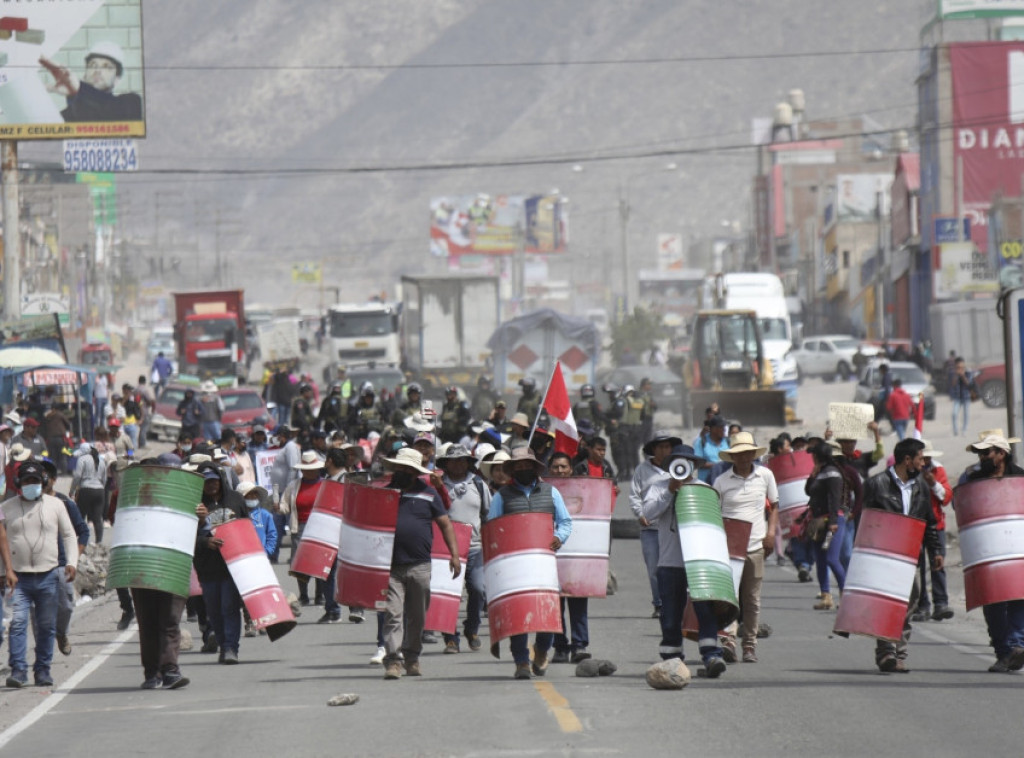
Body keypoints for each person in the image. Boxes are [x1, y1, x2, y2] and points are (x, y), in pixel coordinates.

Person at [641, 444, 728, 678]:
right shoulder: (657, 488)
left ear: (695, 466)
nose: (681, 466)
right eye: (677, 461)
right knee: (670, 612)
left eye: (686, 462)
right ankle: (672, 659)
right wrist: (670, 491)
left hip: (700, 562)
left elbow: (715, 526)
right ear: (669, 465)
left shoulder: (705, 490)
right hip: (670, 562)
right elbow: (647, 515)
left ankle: (711, 656)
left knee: (705, 610)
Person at [487, 448, 572, 679]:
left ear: (535, 468)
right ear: (513, 469)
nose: (523, 469)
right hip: (514, 565)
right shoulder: (501, 496)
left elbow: (565, 522)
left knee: (546, 611)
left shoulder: (551, 492)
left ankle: (542, 650)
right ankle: (521, 662)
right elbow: (493, 527)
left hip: (544, 563)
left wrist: (559, 537)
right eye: (519, 466)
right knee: (518, 614)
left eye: (527, 465)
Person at [862, 438, 942, 673]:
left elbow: (929, 522)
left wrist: (935, 550)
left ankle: (899, 651)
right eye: (919, 458)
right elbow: (865, 522)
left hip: (911, 555)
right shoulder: (876, 484)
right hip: (884, 556)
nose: (922, 463)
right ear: (907, 460)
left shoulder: (921, 487)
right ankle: (886, 650)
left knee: (910, 601)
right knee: (886, 602)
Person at [380, 448, 461, 680]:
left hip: (420, 566)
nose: (402, 472)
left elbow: (446, 524)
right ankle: (393, 661)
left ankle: (412, 657)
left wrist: (454, 556)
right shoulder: (385, 494)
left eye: (408, 469)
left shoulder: (429, 494)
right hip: (391, 567)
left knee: (418, 617)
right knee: (393, 614)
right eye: (400, 467)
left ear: (415, 472)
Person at [2, 461, 78, 688]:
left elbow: (69, 535)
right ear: (18, 484)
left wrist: (72, 562)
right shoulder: (7, 508)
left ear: (43, 482)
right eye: (27, 481)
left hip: (49, 575)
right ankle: (18, 670)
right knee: (17, 623)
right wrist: (3, 571)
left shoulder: (56, 505)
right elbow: (1, 543)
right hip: (18, 578)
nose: (31, 485)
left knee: (46, 626)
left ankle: (43, 670)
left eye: (35, 481)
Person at [712, 433, 778, 663]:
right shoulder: (721, 481)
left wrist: (771, 535)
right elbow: (714, 514)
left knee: (752, 598)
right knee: (728, 597)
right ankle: (728, 639)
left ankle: (749, 644)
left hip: (756, 546)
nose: (743, 457)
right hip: (728, 548)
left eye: (747, 453)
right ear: (733, 456)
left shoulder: (765, 475)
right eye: (738, 454)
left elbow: (774, 508)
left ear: (753, 454)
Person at [962, 433, 1024, 672]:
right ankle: (1003, 652)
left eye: (987, 452)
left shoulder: (1019, 477)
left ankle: (1016, 645)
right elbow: (962, 506)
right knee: (993, 601)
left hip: (1016, 547)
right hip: (987, 549)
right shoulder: (973, 479)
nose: (982, 457)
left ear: (1001, 454)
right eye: (980, 453)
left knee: (1020, 596)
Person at [436, 445, 490, 654]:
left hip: (475, 547)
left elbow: (488, 513)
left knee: (478, 589)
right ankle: (450, 637)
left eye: (462, 460)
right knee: (449, 595)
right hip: (446, 549)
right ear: (446, 463)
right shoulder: (438, 484)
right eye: (454, 460)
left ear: (468, 462)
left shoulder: (478, 484)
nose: (458, 464)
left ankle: (472, 628)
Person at [193, 465, 246, 664]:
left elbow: (247, 528)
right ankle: (223, 645)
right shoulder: (194, 504)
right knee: (214, 610)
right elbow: (184, 536)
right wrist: (205, 541)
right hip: (207, 567)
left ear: (221, 479)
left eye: (214, 480)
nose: (211, 485)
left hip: (233, 565)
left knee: (230, 607)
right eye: (206, 481)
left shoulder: (236, 500)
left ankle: (231, 647)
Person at [39, 458, 88, 658]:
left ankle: (61, 633)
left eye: (45, 477)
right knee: (37, 615)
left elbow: (83, 532)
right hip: (36, 567)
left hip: (61, 565)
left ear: (53, 479)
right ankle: (41, 661)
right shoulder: (26, 503)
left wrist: (73, 560)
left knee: (66, 605)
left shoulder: (65, 503)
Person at [629, 431, 682, 619]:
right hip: (650, 527)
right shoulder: (642, 470)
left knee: (675, 567)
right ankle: (659, 603)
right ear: (653, 449)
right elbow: (634, 495)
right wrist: (639, 514)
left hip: (672, 527)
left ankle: (675, 603)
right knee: (654, 569)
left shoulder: (678, 468)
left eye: (668, 446)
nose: (665, 450)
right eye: (661, 447)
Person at [909, 440, 954, 624]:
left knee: (937, 563)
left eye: (927, 458)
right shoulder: (910, 472)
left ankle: (941, 603)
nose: (924, 462)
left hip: (936, 525)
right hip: (916, 524)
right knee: (918, 567)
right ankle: (923, 606)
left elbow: (946, 498)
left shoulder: (937, 470)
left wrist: (933, 483)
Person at [41, 41, 142, 122]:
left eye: (106, 67)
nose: (97, 70)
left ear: (117, 79)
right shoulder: (63, 118)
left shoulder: (130, 104)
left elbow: (105, 113)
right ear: (85, 74)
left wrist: (79, 89)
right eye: (93, 65)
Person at [279, 450, 327, 610]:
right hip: (299, 527)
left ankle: (320, 594)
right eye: (306, 469)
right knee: (300, 562)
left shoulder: (325, 485)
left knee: (319, 561)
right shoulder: (293, 486)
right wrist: (279, 507)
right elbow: (285, 504)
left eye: (312, 469)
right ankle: (304, 594)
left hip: (320, 526)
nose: (309, 472)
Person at [804, 442, 849, 611]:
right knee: (821, 559)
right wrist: (812, 475)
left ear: (818, 455)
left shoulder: (832, 473)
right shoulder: (820, 472)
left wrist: (832, 522)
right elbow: (808, 492)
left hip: (831, 522)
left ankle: (845, 596)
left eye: (813, 454)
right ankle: (826, 597)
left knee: (831, 558)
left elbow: (835, 498)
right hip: (818, 522)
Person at [693, 415, 729, 483]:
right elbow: (697, 463)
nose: (724, 429)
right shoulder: (701, 442)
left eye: (724, 427)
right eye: (721, 427)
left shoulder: (727, 441)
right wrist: (717, 465)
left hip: (725, 483)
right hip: (706, 484)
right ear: (713, 429)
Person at [949, 357, 976, 437]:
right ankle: (955, 430)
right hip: (957, 397)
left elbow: (969, 384)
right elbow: (952, 385)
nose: (960, 369)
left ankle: (964, 430)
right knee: (954, 413)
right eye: (958, 367)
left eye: (962, 367)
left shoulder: (968, 372)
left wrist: (963, 375)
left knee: (966, 414)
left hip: (966, 396)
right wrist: (956, 376)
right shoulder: (952, 373)